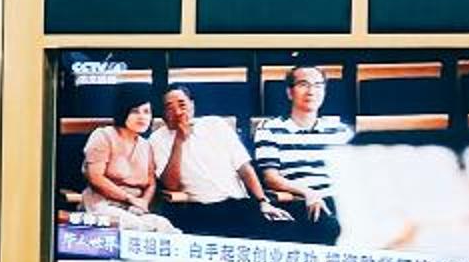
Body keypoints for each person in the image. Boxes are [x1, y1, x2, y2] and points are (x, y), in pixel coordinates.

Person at [152, 88, 294, 237]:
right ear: (163, 114)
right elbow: (172, 185)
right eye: (170, 108)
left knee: (283, 231)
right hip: (200, 209)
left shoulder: (216, 124)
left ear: (192, 105)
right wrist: (179, 142)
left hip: (239, 204)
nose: (178, 112)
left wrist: (262, 202)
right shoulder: (157, 139)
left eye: (182, 105)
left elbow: (244, 167)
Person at [254, 64, 353, 246]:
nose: (311, 91)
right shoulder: (270, 128)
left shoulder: (340, 131)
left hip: (339, 201)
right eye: (303, 84)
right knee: (328, 227)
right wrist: (309, 193)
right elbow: (270, 178)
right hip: (298, 200)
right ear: (290, 93)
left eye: (318, 85)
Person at [76, 101, 170, 227]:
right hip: (102, 205)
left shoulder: (146, 145)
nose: (142, 117)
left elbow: (151, 183)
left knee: (164, 225)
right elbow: (95, 177)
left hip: (135, 209)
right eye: (135, 111)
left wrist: (143, 202)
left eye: (146, 112)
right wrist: (129, 198)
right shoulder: (104, 135)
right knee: (135, 225)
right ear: (123, 112)